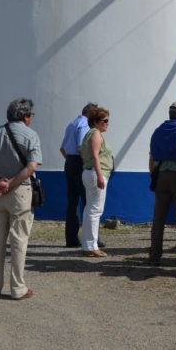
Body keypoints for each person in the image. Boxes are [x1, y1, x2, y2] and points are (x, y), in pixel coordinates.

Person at [0, 97, 42, 300]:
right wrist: (11, 183)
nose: (31, 118)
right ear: (25, 116)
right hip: (20, 192)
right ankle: (17, 288)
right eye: (30, 115)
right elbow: (31, 166)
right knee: (19, 240)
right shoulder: (31, 135)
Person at [148, 100, 176, 267]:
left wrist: (154, 176)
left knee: (158, 218)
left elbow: (152, 158)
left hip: (160, 176)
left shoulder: (158, 131)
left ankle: (154, 255)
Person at [59, 101, 97, 248]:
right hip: (80, 163)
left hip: (69, 162)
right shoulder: (85, 125)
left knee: (72, 202)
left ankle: (71, 238)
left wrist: (70, 161)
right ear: (90, 114)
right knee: (89, 201)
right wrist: (86, 163)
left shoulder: (72, 124)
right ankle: (92, 238)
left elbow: (62, 148)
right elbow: (82, 147)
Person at [80, 106, 114, 258]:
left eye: (107, 120)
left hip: (89, 173)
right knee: (95, 211)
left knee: (90, 210)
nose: (107, 123)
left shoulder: (89, 134)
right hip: (95, 174)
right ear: (95, 122)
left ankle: (87, 245)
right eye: (104, 120)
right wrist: (100, 175)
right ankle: (92, 246)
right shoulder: (95, 134)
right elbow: (95, 156)